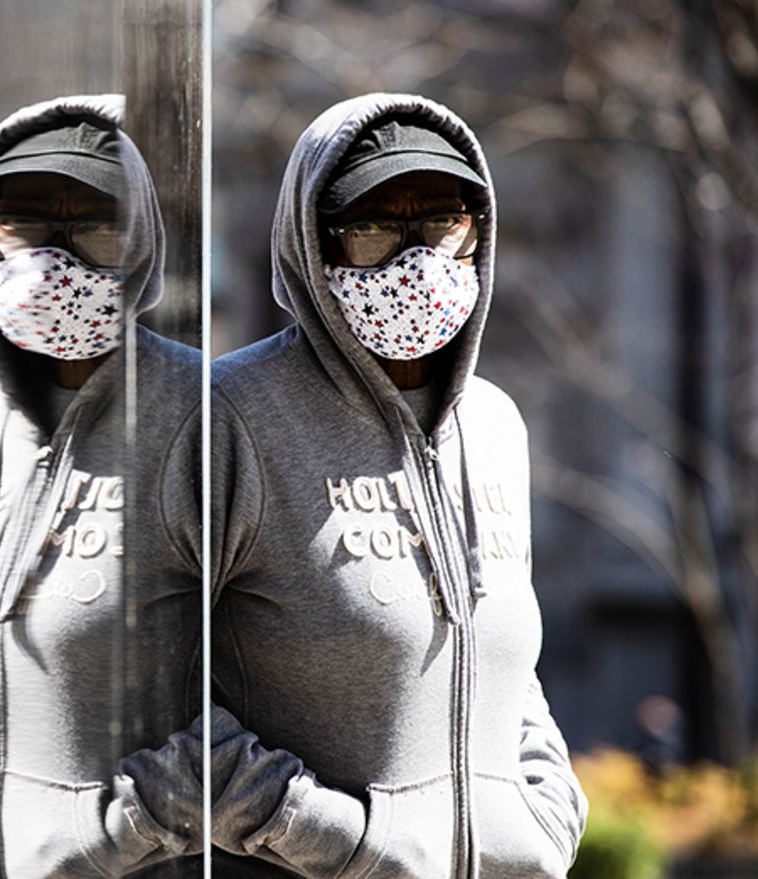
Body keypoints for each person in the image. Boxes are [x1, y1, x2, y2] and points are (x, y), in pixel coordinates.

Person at [204, 93, 589, 877]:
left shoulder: (492, 423)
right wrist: (324, 833)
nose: (417, 260)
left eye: (444, 222)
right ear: (312, 242)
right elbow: (138, 694)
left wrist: (545, 813)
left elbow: (504, 655)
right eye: (375, 229)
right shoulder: (226, 419)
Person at [0, 95, 204, 879]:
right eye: (28, 221)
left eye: (94, 223)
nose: (56, 256)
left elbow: (271, 685)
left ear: (139, 245)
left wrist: (110, 839)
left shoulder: (203, 414)